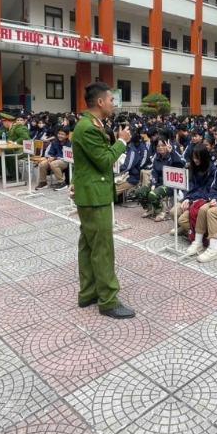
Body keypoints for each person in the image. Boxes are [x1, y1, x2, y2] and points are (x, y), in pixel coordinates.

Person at [72, 82, 134, 319]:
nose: (113, 104)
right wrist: (122, 141)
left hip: (90, 193)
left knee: (88, 245)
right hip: (94, 197)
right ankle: (108, 300)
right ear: (100, 102)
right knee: (103, 248)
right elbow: (104, 160)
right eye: (111, 100)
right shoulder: (88, 127)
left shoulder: (92, 124)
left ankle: (88, 292)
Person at [136, 137, 185, 220]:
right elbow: (154, 172)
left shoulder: (172, 155)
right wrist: (153, 184)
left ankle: (161, 211)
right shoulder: (157, 157)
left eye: (163, 145)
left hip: (170, 185)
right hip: (158, 183)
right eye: (158, 146)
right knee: (140, 192)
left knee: (153, 194)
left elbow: (181, 163)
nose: (160, 147)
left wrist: (172, 151)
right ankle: (150, 209)